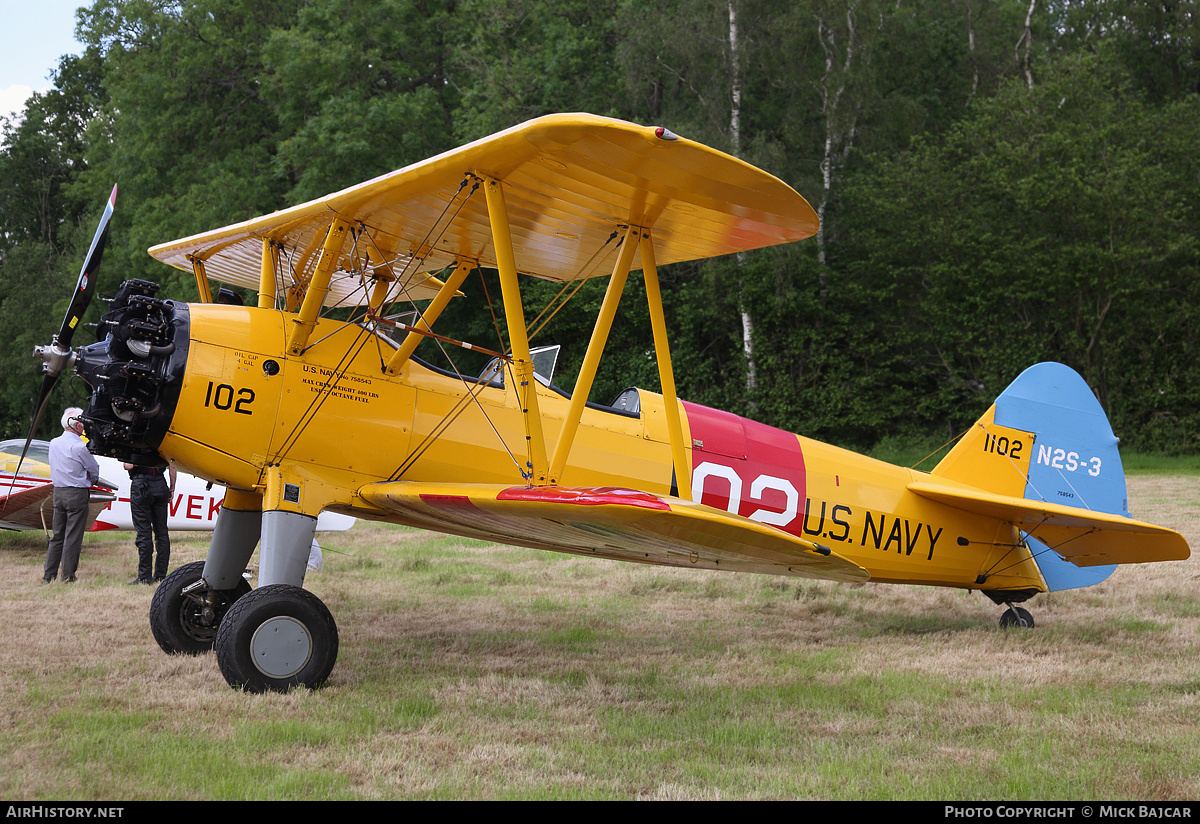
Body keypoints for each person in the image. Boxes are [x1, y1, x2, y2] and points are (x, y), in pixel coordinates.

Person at [43, 408, 101, 584]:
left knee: (57, 536)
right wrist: (93, 479)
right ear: (77, 425)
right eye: (82, 424)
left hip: (58, 493)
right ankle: (67, 576)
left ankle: (48, 576)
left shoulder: (53, 443)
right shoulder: (79, 446)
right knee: (73, 537)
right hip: (76, 494)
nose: (84, 427)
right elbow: (94, 470)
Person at [124, 460, 177, 585]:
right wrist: (172, 487)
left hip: (141, 484)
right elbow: (173, 466)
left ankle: (144, 576)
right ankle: (160, 575)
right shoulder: (160, 442)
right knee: (162, 532)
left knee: (144, 532)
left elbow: (129, 465)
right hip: (160, 482)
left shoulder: (136, 443)